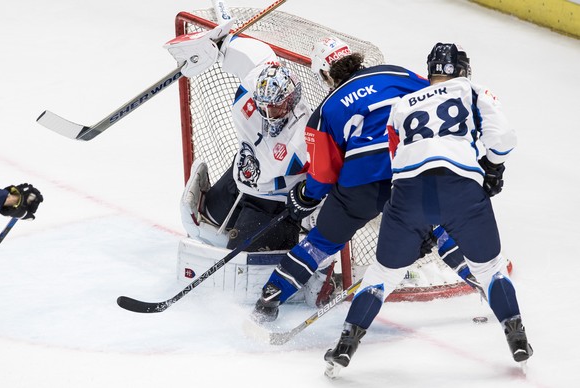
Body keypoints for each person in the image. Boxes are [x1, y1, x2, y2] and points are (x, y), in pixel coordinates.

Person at [324, 43, 533, 377]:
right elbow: (503, 138)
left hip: (408, 195)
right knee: (491, 269)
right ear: (463, 70)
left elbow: (397, 159)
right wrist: (492, 169)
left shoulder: (403, 104)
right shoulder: (472, 90)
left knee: (381, 276)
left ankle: (345, 346)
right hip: (461, 189)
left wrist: (415, 226)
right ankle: (516, 335)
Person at [251, 37, 433, 322]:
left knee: (320, 241)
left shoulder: (326, 110)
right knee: (445, 222)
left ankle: (268, 300)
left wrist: (305, 197)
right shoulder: (395, 73)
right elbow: (438, 96)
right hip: (411, 169)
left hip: (362, 186)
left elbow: (323, 175)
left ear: (325, 72)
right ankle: (483, 277)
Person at [177, 34, 311, 252]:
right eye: (263, 105)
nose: (268, 113)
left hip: (270, 203)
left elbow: (324, 172)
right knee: (206, 220)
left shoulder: (302, 139)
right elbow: (250, 53)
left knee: (242, 260)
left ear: (291, 100)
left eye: (275, 108)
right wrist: (215, 46)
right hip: (239, 174)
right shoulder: (257, 80)